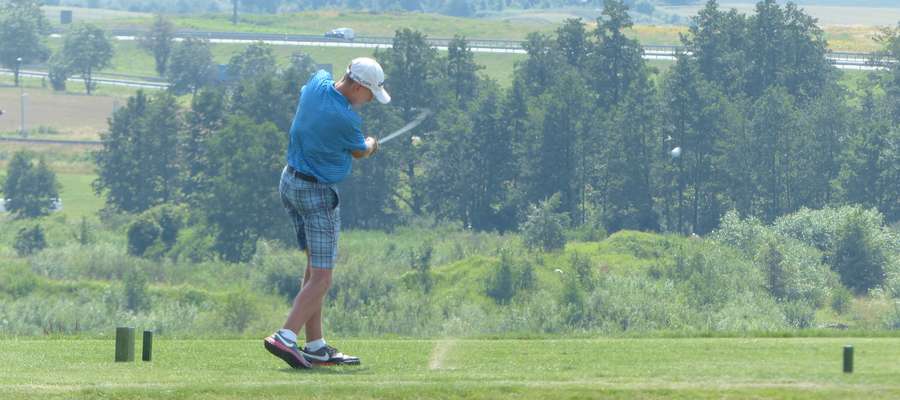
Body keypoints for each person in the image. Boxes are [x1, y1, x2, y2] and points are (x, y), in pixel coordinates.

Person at [264, 57, 390, 369]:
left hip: (290, 181)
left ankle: (316, 346)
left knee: (313, 268)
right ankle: (285, 336)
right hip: (316, 194)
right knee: (322, 278)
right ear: (359, 86)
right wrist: (372, 144)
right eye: (370, 94)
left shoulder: (318, 83)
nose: (370, 100)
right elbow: (360, 151)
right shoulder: (346, 120)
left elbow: (322, 98)